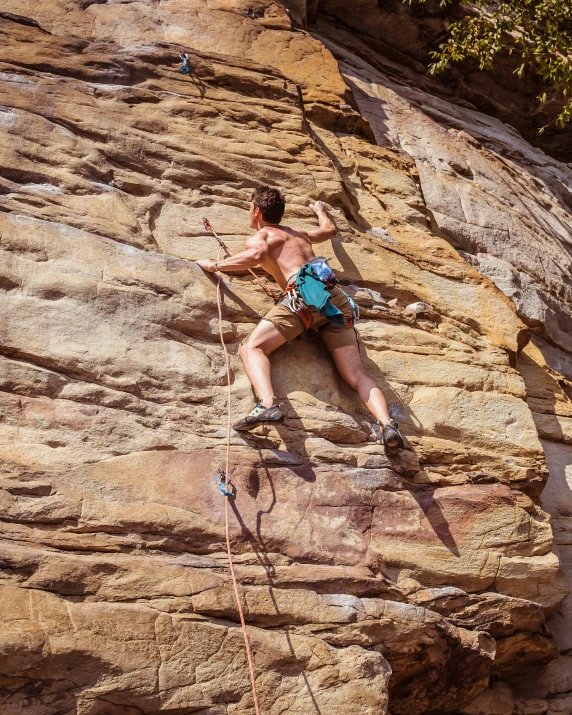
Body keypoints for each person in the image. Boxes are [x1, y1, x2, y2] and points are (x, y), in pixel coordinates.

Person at [196, 187, 404, 454]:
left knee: (252, 348)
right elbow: (329, 231)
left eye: (250, 208)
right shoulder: (300, 234)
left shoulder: (263, 235)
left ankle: (268, 405)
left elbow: (256, 256)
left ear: (257, 212)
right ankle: (387, 424)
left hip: (303, 300)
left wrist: (215, 266)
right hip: (334, 301)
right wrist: (320, 211)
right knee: (356, 374)